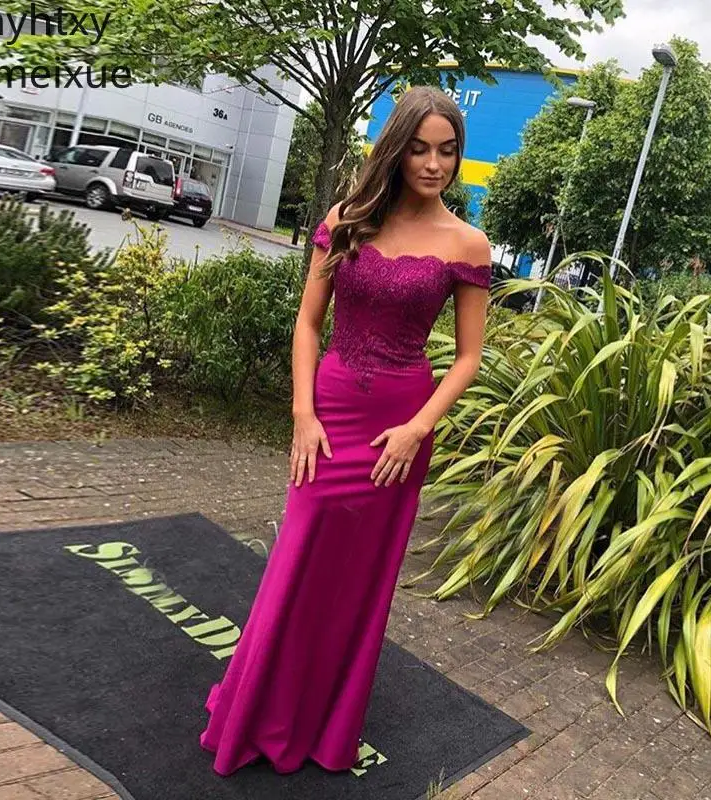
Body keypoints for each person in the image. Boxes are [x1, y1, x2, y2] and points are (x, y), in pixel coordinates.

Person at [199, 84, 492, 777]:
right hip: (329, 413)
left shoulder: (467, 243)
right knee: (298, 558)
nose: (433, 164)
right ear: (395, 150)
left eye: (447, 151)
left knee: (357, 580)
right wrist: (302, 414)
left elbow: (468, 357)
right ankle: (258, 710)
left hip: (400, 429)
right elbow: (308, 323)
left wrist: (418, 429)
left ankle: (324, 723)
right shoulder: (347, 219)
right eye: (419, 149)